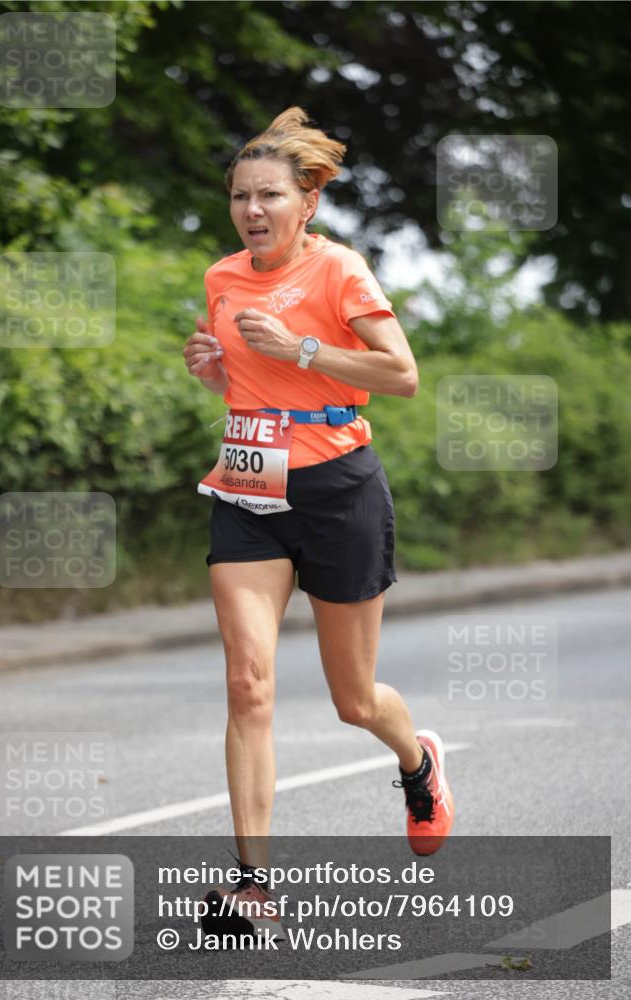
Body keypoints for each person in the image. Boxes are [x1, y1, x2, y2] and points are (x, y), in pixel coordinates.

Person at [183, 107, 454, 936]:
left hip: (338, 489)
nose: (251, 210)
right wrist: (215, 372)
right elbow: (247, 388)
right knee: (246, 683)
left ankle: (417, 760)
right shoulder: (222, 278)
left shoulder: (340, 272)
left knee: (352, 699)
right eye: (239, 196)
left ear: (306, 203)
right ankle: (252, 887)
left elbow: (400, 375)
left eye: (268, 195)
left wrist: (299, 349)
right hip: (247, 487)